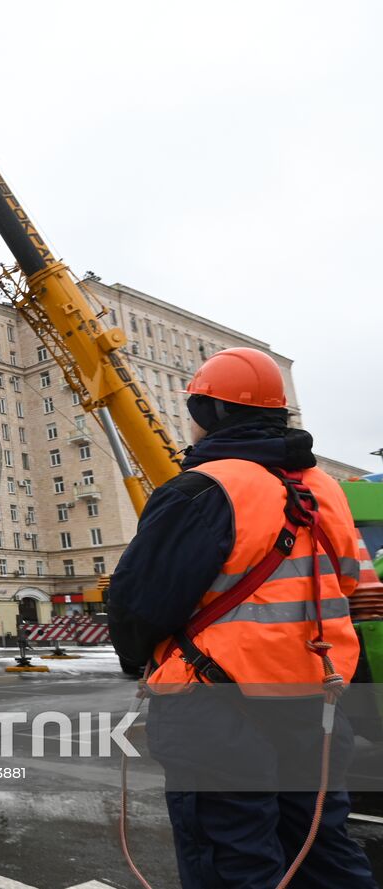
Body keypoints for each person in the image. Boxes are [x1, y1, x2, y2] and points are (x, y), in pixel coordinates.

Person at [107, 347, 375, 886]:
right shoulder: (329, 494)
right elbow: (355, 594)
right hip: (315, 706)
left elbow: (138, 604)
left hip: (217, 707)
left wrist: (137, 658)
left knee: (233, 860)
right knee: (322, 852)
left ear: (212, 413)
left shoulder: (204, 488)